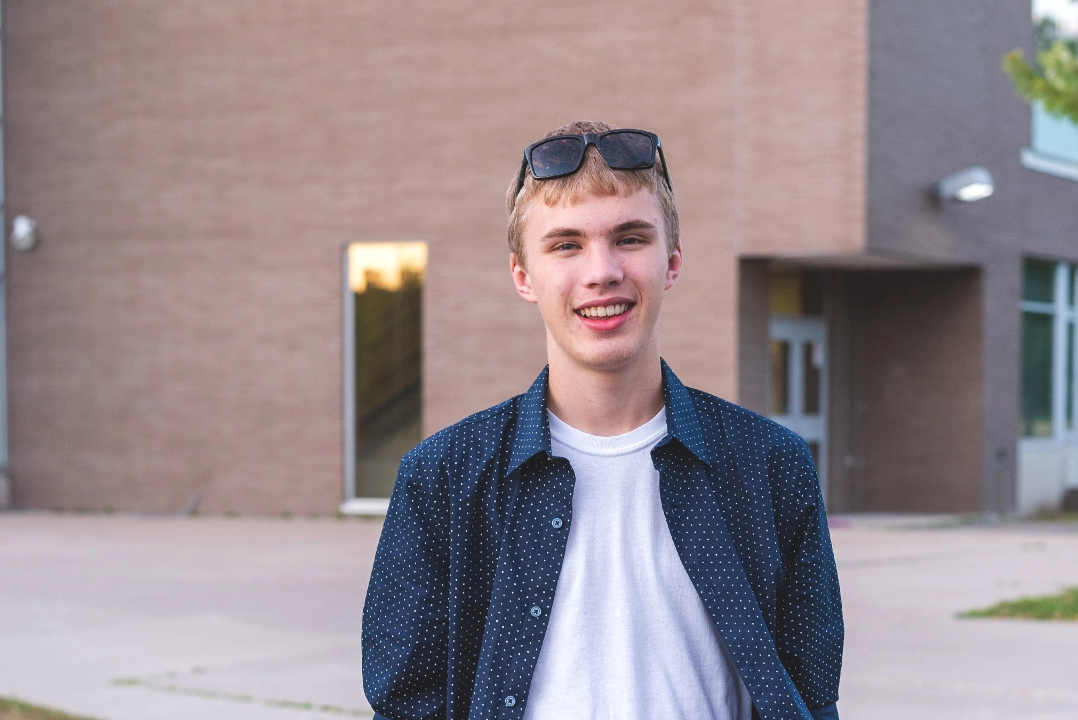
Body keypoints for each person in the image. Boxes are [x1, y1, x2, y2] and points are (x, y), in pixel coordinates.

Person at [361, 120, 843, 720]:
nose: (602, 271)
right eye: (566, 245)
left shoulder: (770, 466)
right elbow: (408, 705)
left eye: (630, 238)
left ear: (672, 262)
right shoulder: (444, 480)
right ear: (522, 276)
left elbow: (813, 695)